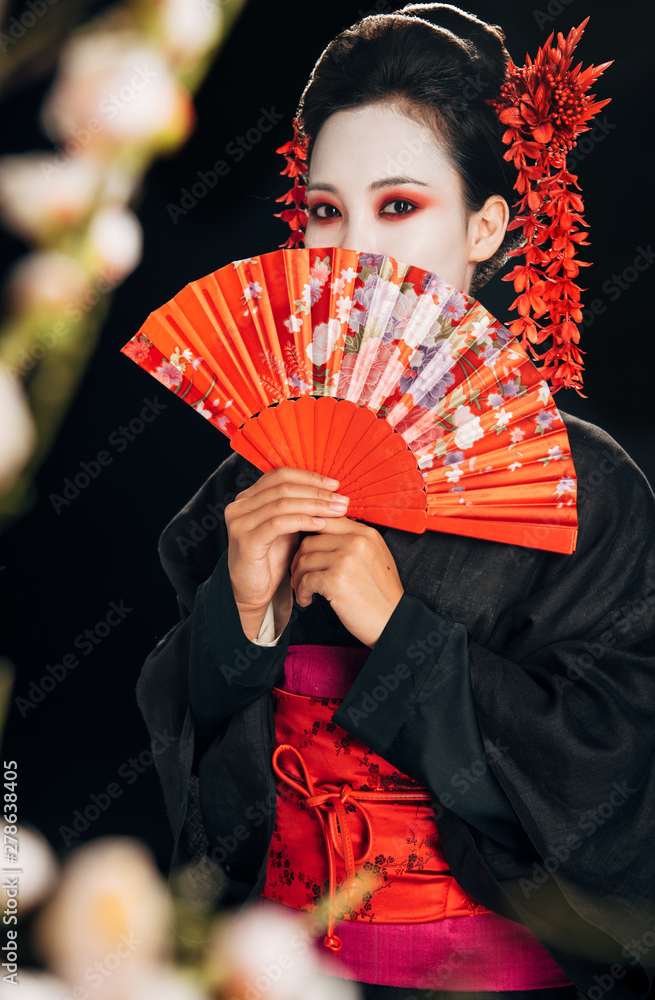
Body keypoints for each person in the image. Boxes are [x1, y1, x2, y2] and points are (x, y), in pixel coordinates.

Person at [134, 5, 655, 999]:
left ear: (487, 228)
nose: (353, 251)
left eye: (400, 206)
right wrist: (238, 623)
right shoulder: (254, 480)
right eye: (327, 211)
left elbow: (619, 807)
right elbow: (210, 829)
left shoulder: (591, 495)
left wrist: (400, 632)